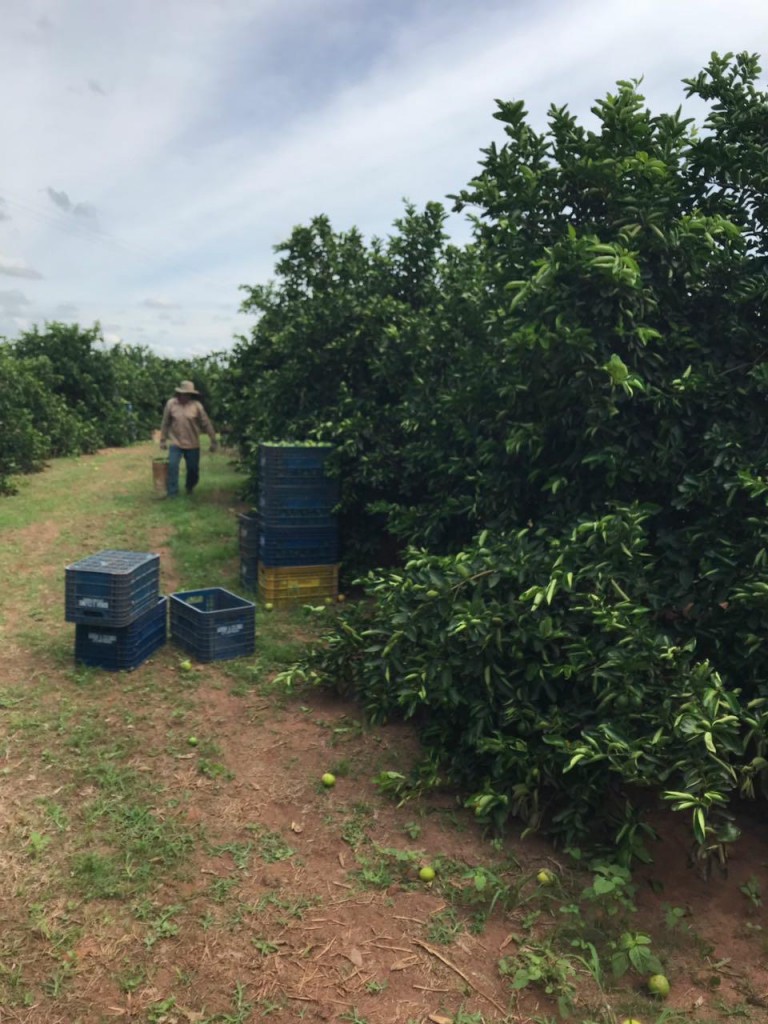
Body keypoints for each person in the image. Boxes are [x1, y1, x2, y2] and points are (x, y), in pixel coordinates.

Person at [159, 380, 218, 496]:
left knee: (193, 470)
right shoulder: (171, 404)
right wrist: (163, 440)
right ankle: (172, 493)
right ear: (179, 393)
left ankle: (190, 486)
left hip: (192, 443)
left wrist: (213, 439)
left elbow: (206, 423)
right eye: (184, 394)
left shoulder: (197, 406)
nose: (186, 396)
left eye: (188, 394)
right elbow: (165, 422)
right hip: (176, 442)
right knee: (172, 466)